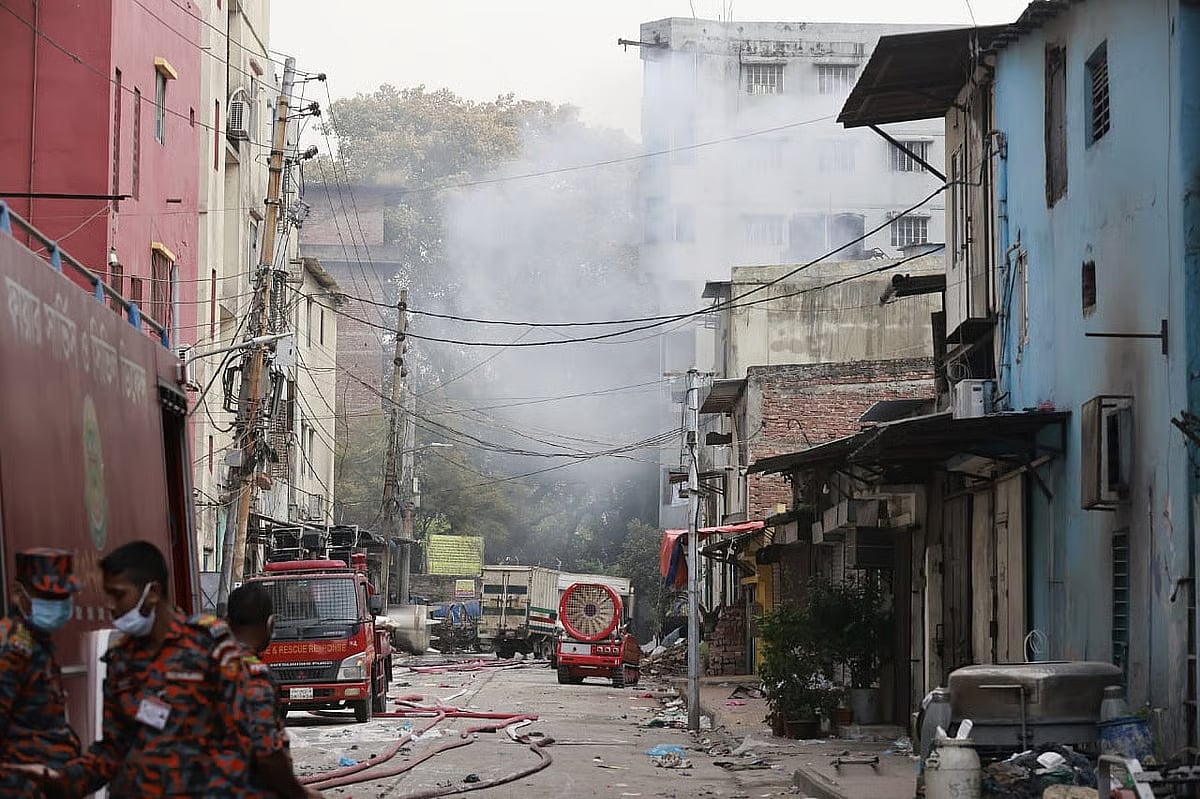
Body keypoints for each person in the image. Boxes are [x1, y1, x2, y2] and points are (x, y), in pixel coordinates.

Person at [15, 540, 258, 797]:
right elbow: (113, 749)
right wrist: (63, 780)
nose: (110, 605)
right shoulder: (121, 660)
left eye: (118, 594)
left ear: (152, 593)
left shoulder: (209, 645)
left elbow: (247, 741)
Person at [226, 582, 323, 799]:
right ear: (271, 624)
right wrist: (301, 794)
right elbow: (268, 753)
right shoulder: (252, 675)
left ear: (227, 623)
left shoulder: (197, 663)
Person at [0, 548, 82, 798]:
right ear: (17, 593)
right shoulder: (11, 648)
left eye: (63, 596)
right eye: (48, 596)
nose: (58, 605)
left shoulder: (37, 641)